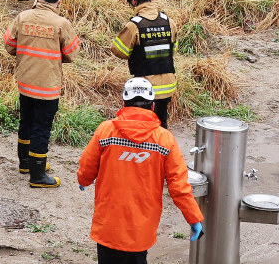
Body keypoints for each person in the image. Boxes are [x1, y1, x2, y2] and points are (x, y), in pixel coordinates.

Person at [77, 78, 204, 264]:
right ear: (152, 106)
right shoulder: (164, 139)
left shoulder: (105, 131)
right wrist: (193, 218)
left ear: (123, 103)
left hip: (109, 225)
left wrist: (83, 179)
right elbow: (179, 187)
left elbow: (87, 168)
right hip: (141, 228)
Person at [3, 0, 79, 187]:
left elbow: (9, 45)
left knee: (26, 122)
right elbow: (72, 53)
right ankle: (37, 176)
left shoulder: (23, 17)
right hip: (48, 86)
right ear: (59, 1)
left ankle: (26, 163)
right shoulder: (61, 23)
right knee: (42, 128)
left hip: (25, 82)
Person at [111, 0, 177, 129]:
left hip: (145, 87)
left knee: (144, 125)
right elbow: (173, 50)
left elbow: (118, 50)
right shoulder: (169, 22)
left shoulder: (134, 25)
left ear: (133, 1)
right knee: (161, 123)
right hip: (168, 85)